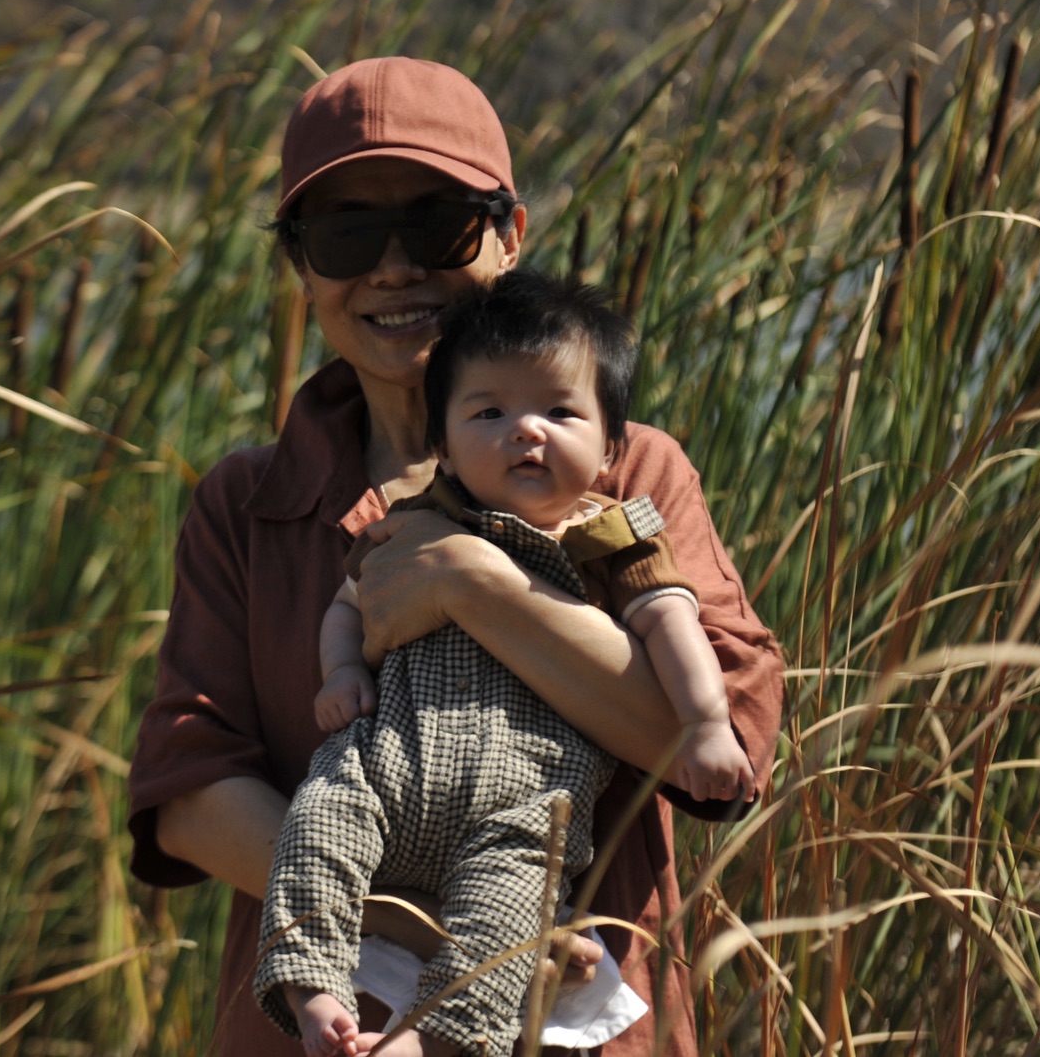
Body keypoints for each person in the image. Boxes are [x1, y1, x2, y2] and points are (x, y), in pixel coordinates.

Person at [126, 55, 784, 1056]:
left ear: (508, 237)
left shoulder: (631, 471)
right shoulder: (249, 503)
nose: (393, 269)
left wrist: (476, 584)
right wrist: (434, 934)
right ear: (302, 269)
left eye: (437, 225)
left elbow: (718, 754)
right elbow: (187, 794)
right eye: (346, 234)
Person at [256, 269, 759, 1057]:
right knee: (315, 827)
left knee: (513, 913)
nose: (526, 431)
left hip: (528, 801)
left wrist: (702, 723)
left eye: (560, 412)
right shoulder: (409, 520)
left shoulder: (616, 538)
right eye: (488, 413)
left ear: (608, 449)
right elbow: (346, 607)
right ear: (445, 450)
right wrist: (342, 673)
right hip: (387, 762)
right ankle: (315, 988)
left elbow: (674, 625)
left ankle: (425, 1041)